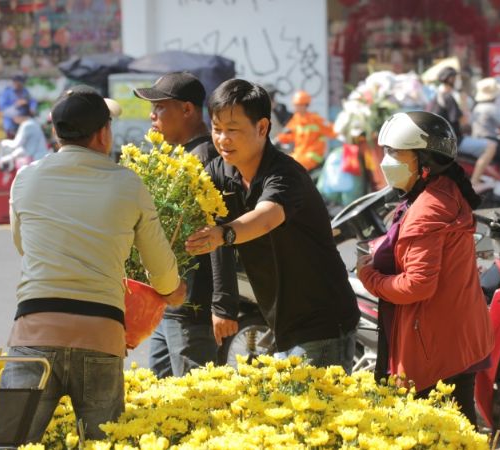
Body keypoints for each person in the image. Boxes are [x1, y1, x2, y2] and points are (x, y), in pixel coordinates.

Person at [0, 85, 187, 443]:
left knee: (11, 441)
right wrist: (172, 291)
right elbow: (161, 271)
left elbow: (23, 245)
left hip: (34, 330)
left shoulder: (26, 178)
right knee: (103, 442)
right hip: (100, 334)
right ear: (103, 134)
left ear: (56, 133)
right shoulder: (127, 183)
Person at [185, 79, 360, 373]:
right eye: (216, 129)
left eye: (233, 129)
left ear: (263, 128)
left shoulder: (285, 175)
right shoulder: (219, 171)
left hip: (323, 323)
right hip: (280, 323)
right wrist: (222, 305)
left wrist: (224, 234)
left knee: (313, 417)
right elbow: (212, 227)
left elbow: (266, 218)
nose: (222, 139)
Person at [356, 111, 494, 425]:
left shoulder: (429, 207)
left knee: (441, 434)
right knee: (459, 432)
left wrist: (370, 276)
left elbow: (418, 285)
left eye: (395, 153)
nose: (386, 160)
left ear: (425, 160)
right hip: (453, 337)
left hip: (436, 346)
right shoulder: (439, 191)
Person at [133, 72, 239, 377]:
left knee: (194, 398)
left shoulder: (206, 159)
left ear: (187, 110)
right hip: (169, 300)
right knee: (163, 399)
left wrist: (222, 305)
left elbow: (219, 235)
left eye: (160, 106)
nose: (152, 115)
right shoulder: (180, 155)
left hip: (195, 306)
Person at [429, 67, 499, 192]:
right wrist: (464, 103)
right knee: (491, 146)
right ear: (450, 79)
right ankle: (475, 182)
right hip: (455, 142)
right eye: (456, 78)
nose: (457, 81)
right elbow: (464, 121)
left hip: (440, 142)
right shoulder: (448, 98)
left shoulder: (435, 98)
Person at [277, 90, 336, 172]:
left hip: (313, 155)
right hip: (300, 153)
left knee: (292, 168)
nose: (295, 107)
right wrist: (278, 139)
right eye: (295, 105)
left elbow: (332, 131)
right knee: (281, 164)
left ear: (304, 105)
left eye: (298, 105)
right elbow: (288, 135)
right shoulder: (296, 119)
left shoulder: (315, 119)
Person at [0, 104, 49, 171]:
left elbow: (15, 144)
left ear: (20, 115)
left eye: (14, 115)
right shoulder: (31, 122)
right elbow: (24, 148)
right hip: (39, 160)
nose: (13, 118)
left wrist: (3, 142)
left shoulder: (27, 125)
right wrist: (11, 157)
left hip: (37, 161)